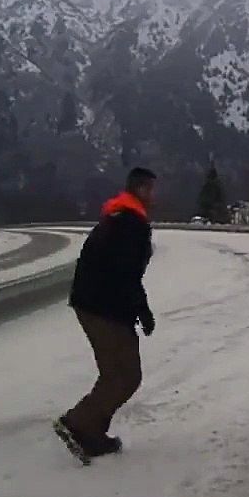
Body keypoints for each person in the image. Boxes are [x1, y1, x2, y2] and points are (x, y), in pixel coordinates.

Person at [54, 167, 158, 462]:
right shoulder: (130, 223)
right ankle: (77, 424)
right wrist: (142, 311)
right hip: (104, 307)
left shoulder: (118, 217)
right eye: (151, 189)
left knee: (117, 374)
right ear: (141, 189)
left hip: (95, 303)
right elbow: (126, 274)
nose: (155, 195)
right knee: (125, 375)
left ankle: (92, 435)